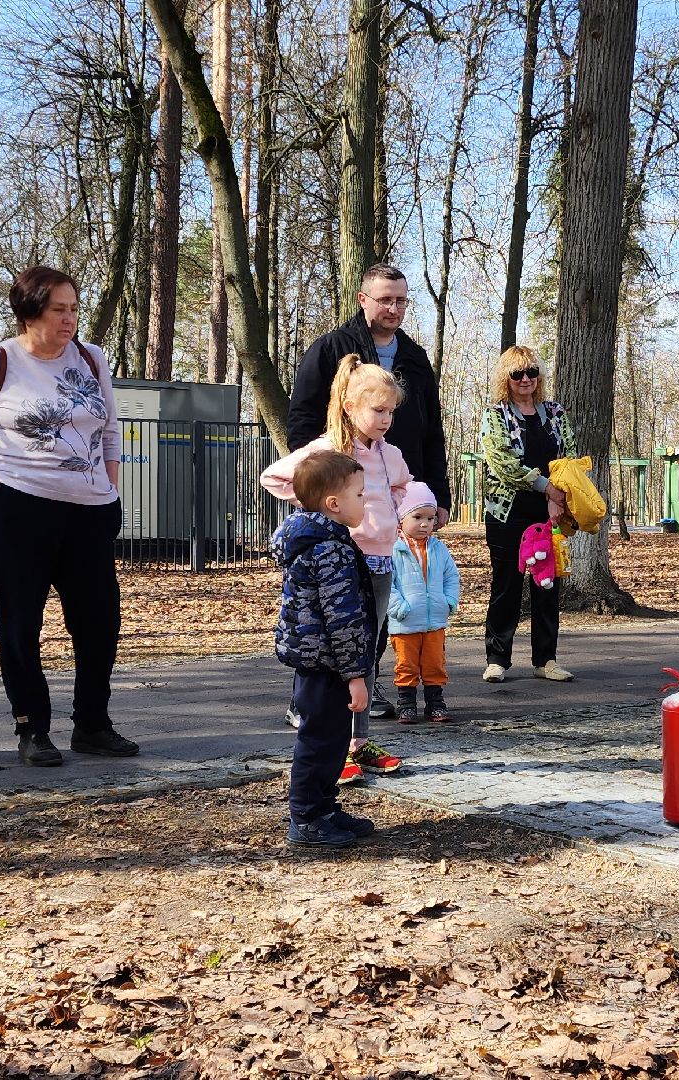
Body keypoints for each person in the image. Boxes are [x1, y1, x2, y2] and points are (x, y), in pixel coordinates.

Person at [0, 265, 135, 765]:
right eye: (58, 309)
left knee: (99, 624)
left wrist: (111, 488)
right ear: (30, 312)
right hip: (18, 508)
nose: (69, 319)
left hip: (90, 511)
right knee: (20, 623)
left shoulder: (93, 358)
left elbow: (110, 430)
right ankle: (32, 727)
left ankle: (93, 724)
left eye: (74, 308)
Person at [286, 263, 451, 718]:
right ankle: (305, 700)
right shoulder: (331, 349)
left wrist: (435, 496)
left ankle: (365, 689)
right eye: (384, 299)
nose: (393, 308)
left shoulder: (415, 359)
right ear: (363, 300)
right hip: (341, 506)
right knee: (330, 611)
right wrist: (321, 483)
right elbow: (301, 418)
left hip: (394, 505)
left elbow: (431, 433)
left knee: (378, 613)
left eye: (400, 300)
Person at [261, 358, 408, 782]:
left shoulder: (389, 454)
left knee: (367, 652)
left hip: (381, 562)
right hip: (342, 565)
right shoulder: (327, 450)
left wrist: (403, 506)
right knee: (332, 653)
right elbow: (275, 477)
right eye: (377, 410)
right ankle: (328, 741)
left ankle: (358, 742)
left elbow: (404, 484)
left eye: (391, 411)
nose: (386, 419)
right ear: (349, 405)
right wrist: (320, 507)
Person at [270, 451, 382, 850]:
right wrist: (356, 675)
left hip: (321, 660)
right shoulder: (329, 549)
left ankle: (324, 807)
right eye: (359, 494)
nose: (364, 501)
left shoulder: (324, 540)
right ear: (334, 504)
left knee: (333, 740)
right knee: (320, 741)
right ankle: (306, 817)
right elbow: (343, 618)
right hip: (327, 664)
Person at [476, 345, 575, 684]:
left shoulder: (555, 412)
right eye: (517, 374)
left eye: (532, 372)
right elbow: (504, 464)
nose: (526, 379)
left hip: (549, 512)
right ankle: (497, 659)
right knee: (507, 584)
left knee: (547, 584)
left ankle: (546, 659)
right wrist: (547, 487)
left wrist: (558, 498)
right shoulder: (495, 414)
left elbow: (569, 458)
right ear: (506, 378)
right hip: (507, 512)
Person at [387, 482, 460, 723]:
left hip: (435, 621)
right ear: (401, 518)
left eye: (430, 519)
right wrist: (398, 607)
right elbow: (388, 582)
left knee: (434, 664)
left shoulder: (439, 549)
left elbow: (451, 576)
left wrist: (448, 601)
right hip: (406, 621)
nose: (424, 524)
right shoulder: (393, 550)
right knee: (406, 665)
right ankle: (406, 703)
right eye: (417, 517)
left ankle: (435, 703)